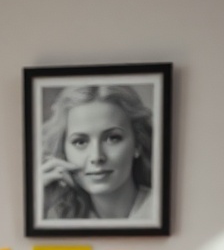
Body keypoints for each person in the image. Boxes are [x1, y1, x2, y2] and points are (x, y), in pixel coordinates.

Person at [40, 84, 153, 221]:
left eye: (113, 138)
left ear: (138, 145)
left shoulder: (163, 210)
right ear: (64, 152)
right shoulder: (57, 217)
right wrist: (39, 207)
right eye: (80, 142)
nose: (96, 157)